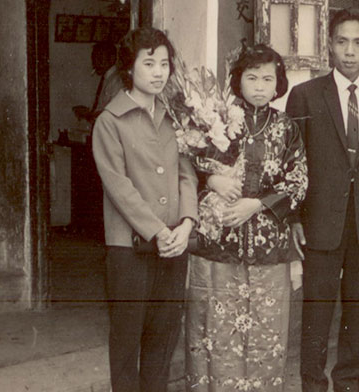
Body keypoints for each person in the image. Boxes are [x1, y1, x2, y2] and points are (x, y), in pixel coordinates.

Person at [286, 9, 359, 392]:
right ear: (329, 45)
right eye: (341, 41)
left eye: (358, 42)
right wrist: (294, 217)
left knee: (357, 305)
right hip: (319, 220)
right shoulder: (304, 95)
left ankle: (349, 380)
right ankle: (312, 382)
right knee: (316, 308)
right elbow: (293, 162)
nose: (349, 51)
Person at [185, 44, 308, 391]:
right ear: (237, 81)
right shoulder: (216, 119)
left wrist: (257, 205)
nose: (258, 86)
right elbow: (187, 169)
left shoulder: (286, 128)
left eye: (267, 79)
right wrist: (211, 179)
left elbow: (299, 180)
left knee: (266, 331)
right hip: (218, 242)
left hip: (269, 246)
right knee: (216, 329)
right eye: (251, 77)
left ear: (278, 84)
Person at [92, 27, 198, 392]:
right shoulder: (110, 121)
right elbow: (118, 186)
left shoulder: (176, 118)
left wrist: (186, 224)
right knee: (127, 341)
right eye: (148, 63)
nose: (158, 72)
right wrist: (158, 231)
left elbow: (188, 176)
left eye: (164, 64)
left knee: (163, 338)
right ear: (129, 68)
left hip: (174, 245)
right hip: (129, 249)